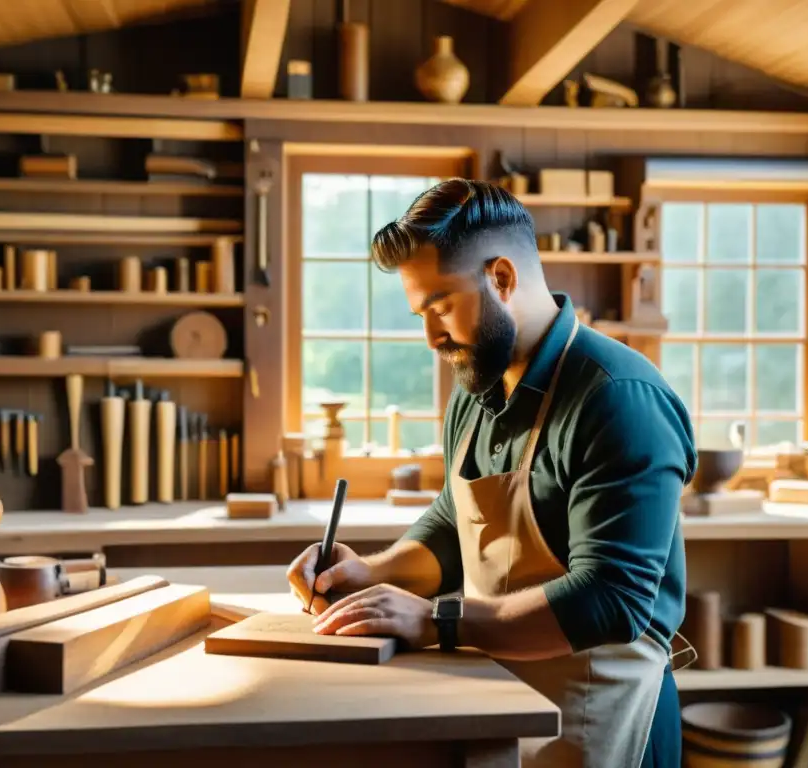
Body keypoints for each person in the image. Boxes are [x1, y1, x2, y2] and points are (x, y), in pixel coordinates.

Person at [287, 178, 696, 768]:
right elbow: (456, 525)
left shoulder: (617, 398)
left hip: (605, 715)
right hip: (504, 698)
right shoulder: (478, 387)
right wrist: (367, 575)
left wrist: (435, 619)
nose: (431, 337)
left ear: (502, 278)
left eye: (441, 306)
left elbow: (612, 600)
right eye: (420, 313)